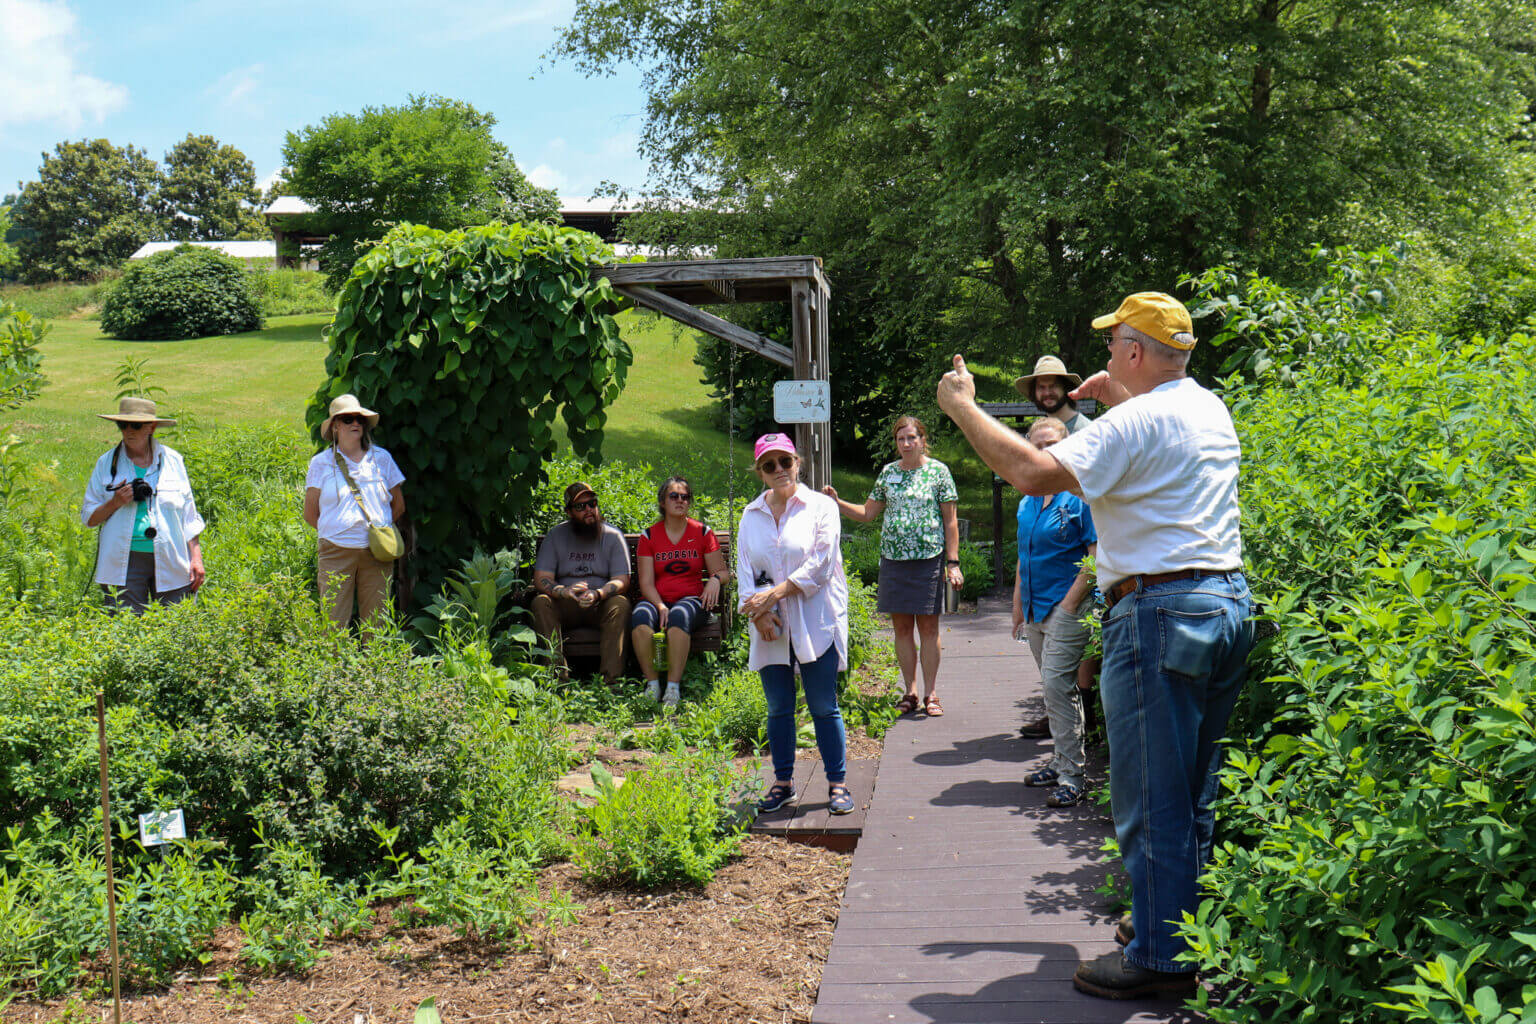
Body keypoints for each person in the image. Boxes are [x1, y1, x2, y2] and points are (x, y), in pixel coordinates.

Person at [937, 291, 1253, 1000]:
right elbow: (1149, 453)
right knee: (1192, 793)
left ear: (1136, 353)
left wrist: (961, 406)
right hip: (1225, 603)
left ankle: (1159, 959)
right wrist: (1121, 401)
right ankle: (1176, 926)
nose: (1107, 356)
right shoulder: (1208, 408)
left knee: (1148, 796)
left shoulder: (1137, 420)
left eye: (1115, 345)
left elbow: (1030, 472)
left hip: (1159, 612)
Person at [737, 434, 855, 816]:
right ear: (760, 472)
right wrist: (759, 612)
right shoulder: (750, 514)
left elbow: (820, 565)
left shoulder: (822, 506)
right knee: (778, 707)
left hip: (814, 619)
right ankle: (783, 782)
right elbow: (744, 570)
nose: (779, 471)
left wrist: (773, 596)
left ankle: (837, 783)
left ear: (797, 463)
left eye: (784, 462)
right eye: (769, 465)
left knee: (823, 705)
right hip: (770, 624)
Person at [823, 416, 961, 717]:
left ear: (922, 440)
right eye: (901, 439)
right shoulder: (888, 474)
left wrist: (953, 563)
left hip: (929, 559)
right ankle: (910, 692)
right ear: (896, 443)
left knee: (928, 626)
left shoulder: (938, 472)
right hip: (894, 561)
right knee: (900, 627)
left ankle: (931, 693)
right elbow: (867, 513)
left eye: (912, 437)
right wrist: (837, 502)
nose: (907, 443)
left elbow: (950, 522)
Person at [1011, 417, 1097, 808]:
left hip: (1070, 608)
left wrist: (1068, 605)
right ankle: (1061, 760)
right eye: (1037, 445)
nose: (1045, 451)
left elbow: (1097, 557)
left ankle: (1073, 776)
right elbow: (1022, 558)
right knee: (1053, 689)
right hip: (1034, 608)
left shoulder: (1080, 496)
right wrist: (1017, 606)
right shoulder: (1027, 499)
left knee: (1058, 686)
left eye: (1052, 444)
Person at [81, 396, 206, 613]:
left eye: (136, 425)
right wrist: (115, 502)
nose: (129, 430)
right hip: (124, 561)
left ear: (152, 427)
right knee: (124, 629)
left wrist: (196, 558)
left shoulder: (173, 461)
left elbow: (189, 515)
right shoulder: (106, 463)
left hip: (172, 557)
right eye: (123, 425)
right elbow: (89, 518)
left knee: (177, 627)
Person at [303, 394, 406, 632]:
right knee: (333, 624)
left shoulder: (382, 458)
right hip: (335, 553)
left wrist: (379, 530)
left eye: (359, 419)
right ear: (335, 426)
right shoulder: (320, 463)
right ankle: (334, 670)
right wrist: (337, 532)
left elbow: (398, 505)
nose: (355, 424)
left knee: (377, 624)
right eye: (348, 419)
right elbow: (310, 513)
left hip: (377, 553)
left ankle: (374, 669)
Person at [631, 476, 730, 708]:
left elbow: (723, 572)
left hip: (692, 601)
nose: (680, 500)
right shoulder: (649, 537)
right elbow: (646, 583)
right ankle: (653, 685)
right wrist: (660, 606)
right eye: (673, 496)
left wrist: (715, 579)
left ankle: (673, 689)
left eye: (685, 497)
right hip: (658, 601)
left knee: (680, 614)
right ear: (662, 502)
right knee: (640, 616)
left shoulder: (703, 532)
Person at [531, 482, 632, 686]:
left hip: (600, 604)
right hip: (567, 604)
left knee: (620, 604)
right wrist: (563, 591)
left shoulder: (613, 537)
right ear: (569, 512)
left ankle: (611, 684)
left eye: (592, 504)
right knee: (540, 603)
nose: (589, 510)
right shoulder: (556, 536)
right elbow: (542, 577)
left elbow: (622, 580)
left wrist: (599, 594)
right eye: (580, 506)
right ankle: (557, 681)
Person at [1013, 355, 1092, 434]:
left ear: (1066, 388)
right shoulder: (1036, 436)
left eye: (1053, 386)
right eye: (1041, 387)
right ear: (1034, 392)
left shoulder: (1088, 432)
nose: (1047, 393)